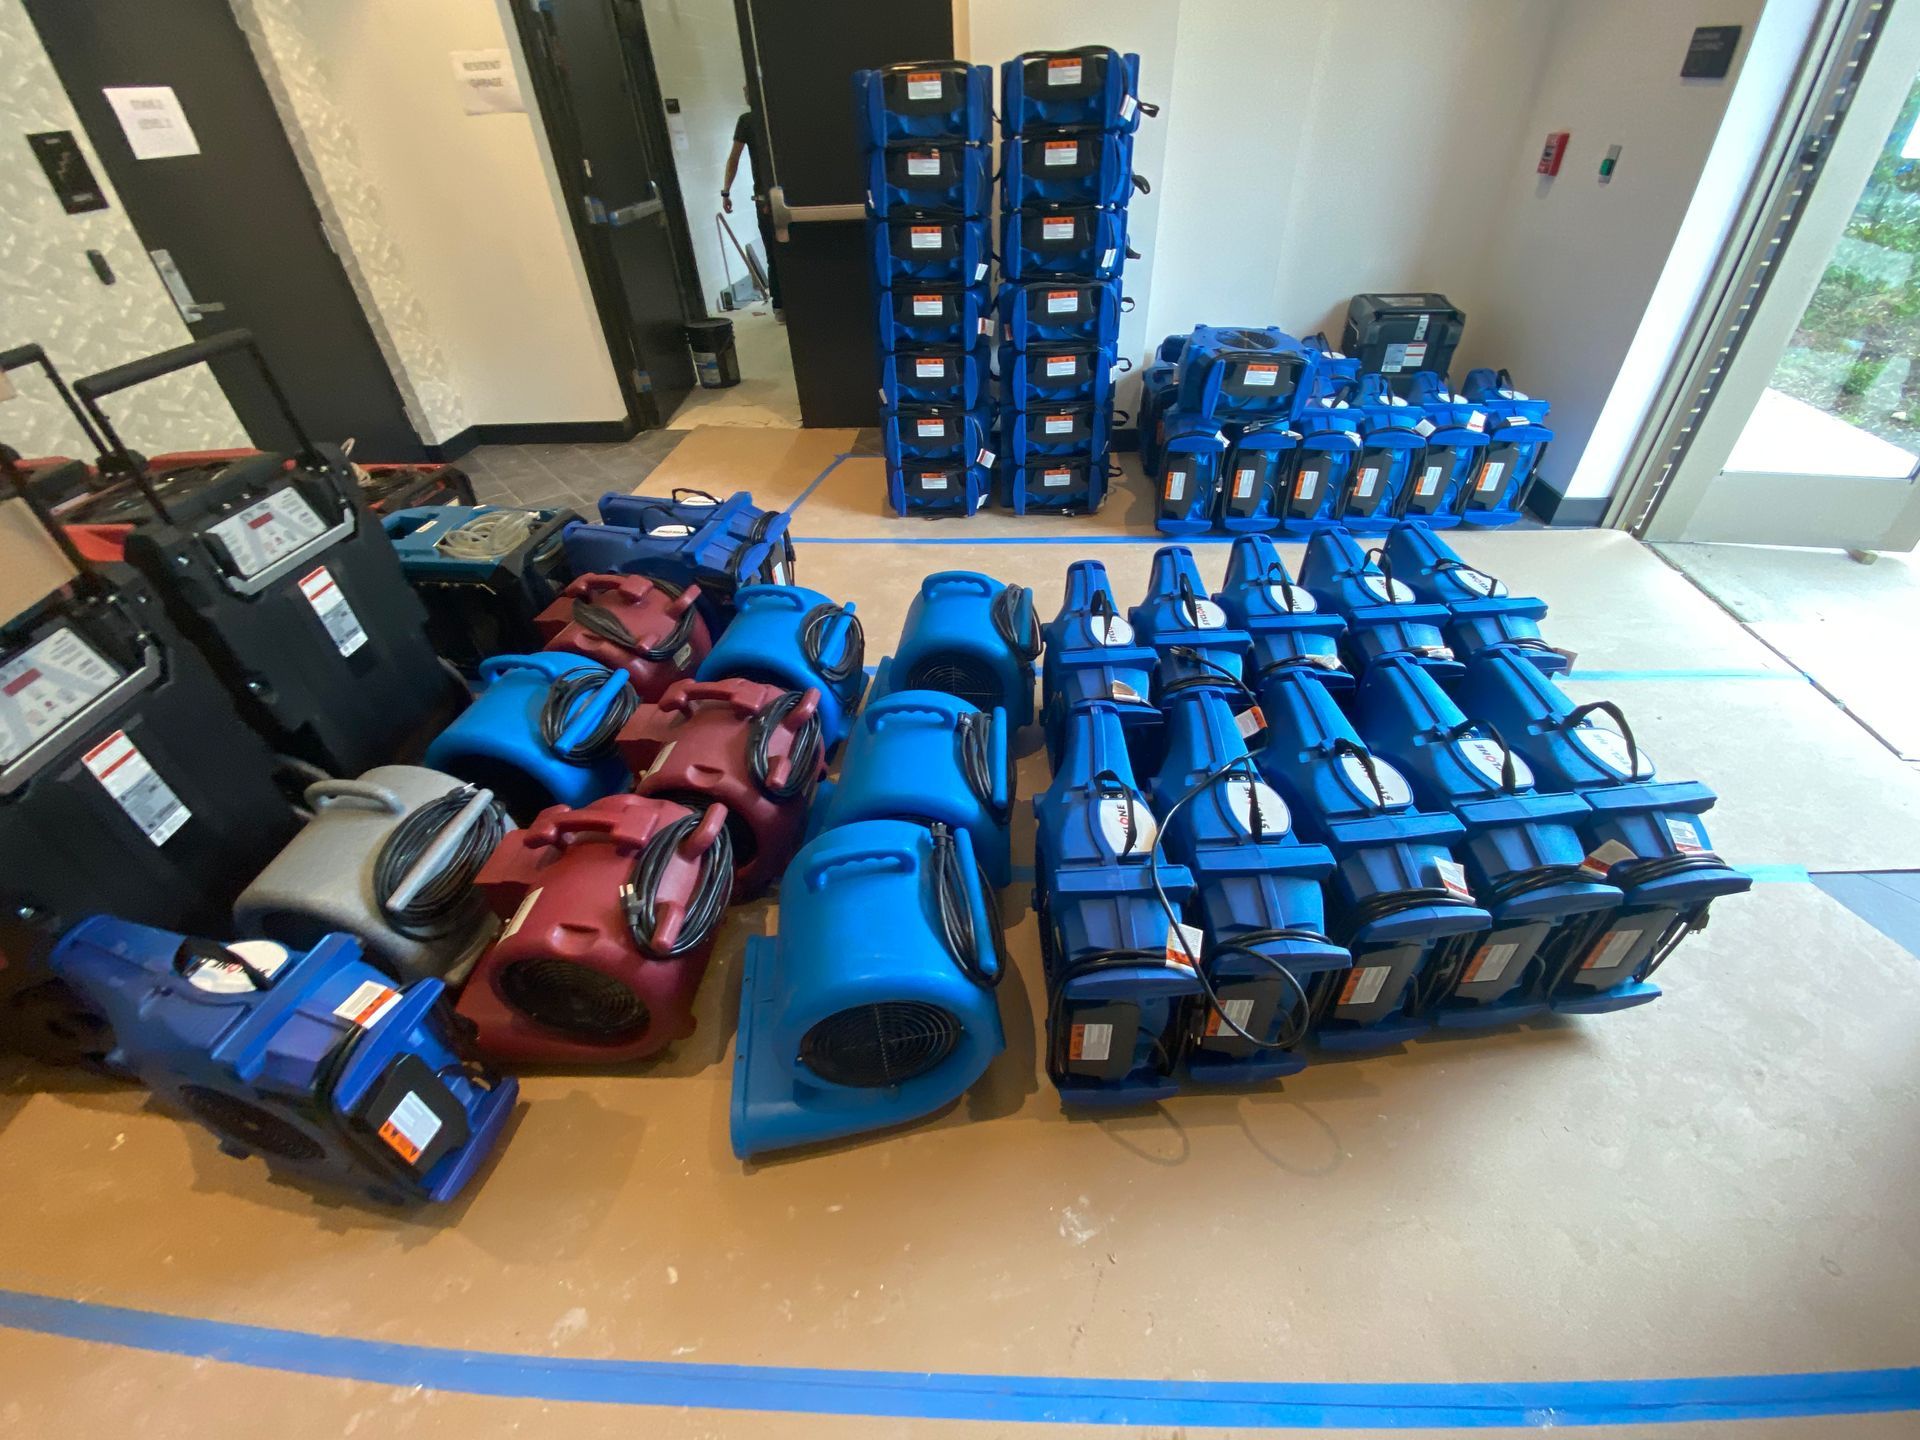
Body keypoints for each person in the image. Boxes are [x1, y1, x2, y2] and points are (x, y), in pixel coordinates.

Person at [723, 103, 782, 318]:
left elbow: (734, 157)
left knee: (774, 255)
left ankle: (780, 307)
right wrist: (726, 191)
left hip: (768, 197)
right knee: (776, 254)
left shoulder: (750, 120)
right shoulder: (749, 120)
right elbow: (734, 158)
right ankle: (781, 306)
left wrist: (726, 192)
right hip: (769, 198)